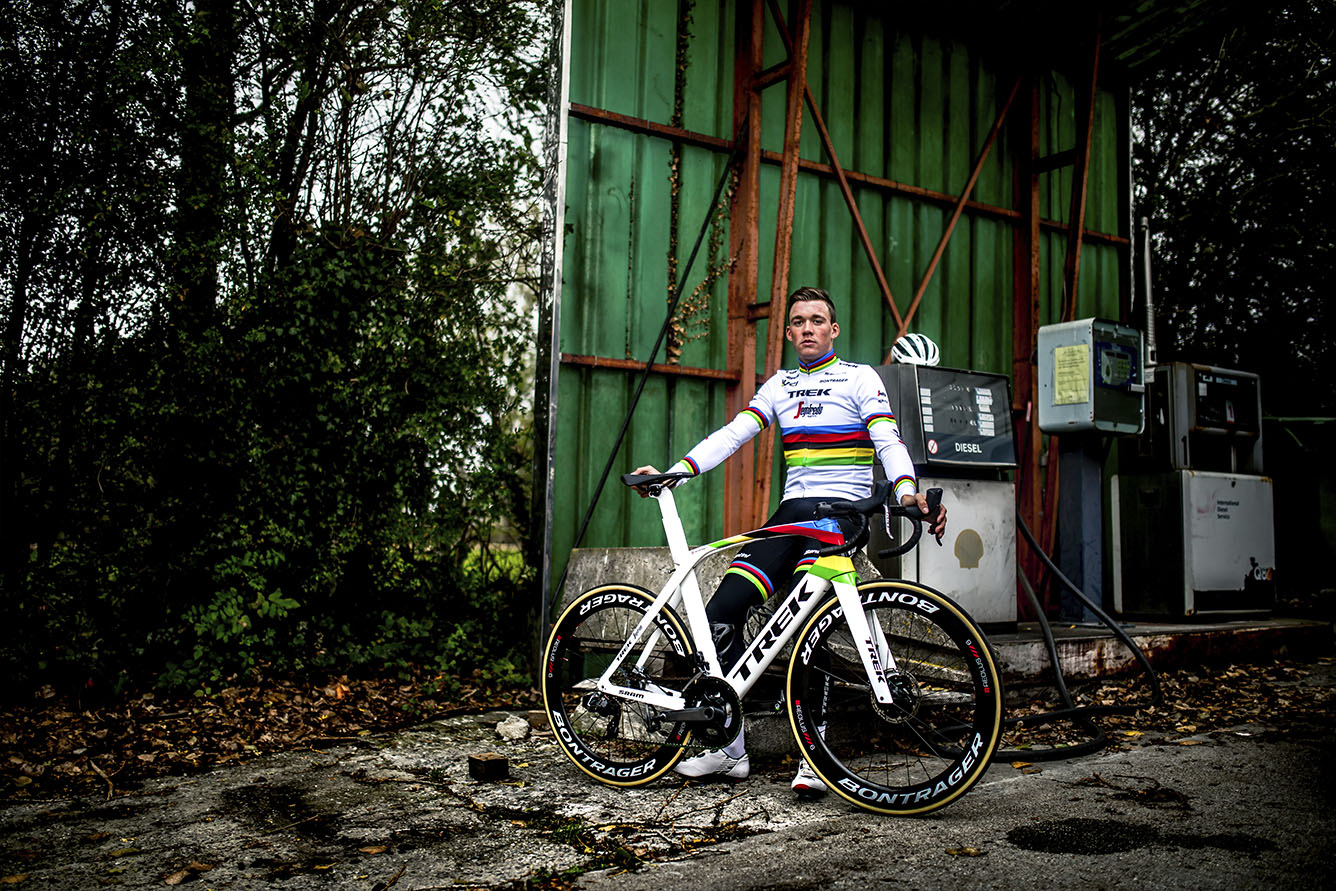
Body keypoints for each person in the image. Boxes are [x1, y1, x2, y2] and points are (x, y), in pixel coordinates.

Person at [633, 285, 946, 798]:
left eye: (817, 320)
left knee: (813, 626)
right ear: (788, 331)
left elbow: (887, 437)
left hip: (837, 518)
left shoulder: (859, 377)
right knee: (721, 614)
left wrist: (906, 490)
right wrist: (674, 473)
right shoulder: (779, 384)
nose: (807, 328)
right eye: (798, 321)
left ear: (833, 329)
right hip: (789, 517)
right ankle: (728, 748)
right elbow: (734, 433)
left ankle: (815, 754)